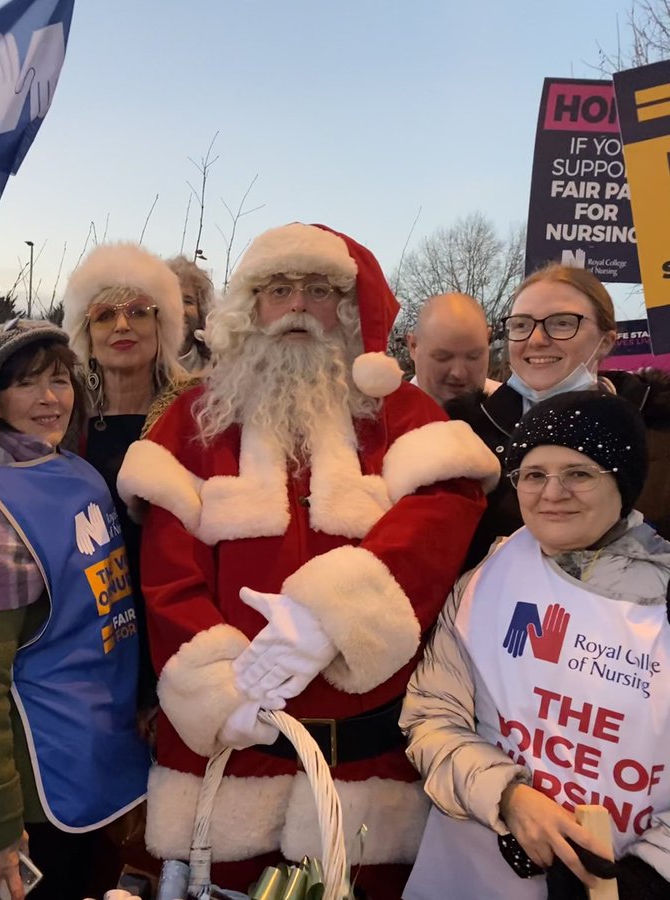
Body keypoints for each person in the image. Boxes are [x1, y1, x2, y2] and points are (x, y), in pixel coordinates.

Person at [117, 223, 499, 896]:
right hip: (230, 756)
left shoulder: (398, 412)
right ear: (251, 307)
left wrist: (334, 615)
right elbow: (167, 568)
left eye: (320, 290)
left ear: (348, 309)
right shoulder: (196, 420)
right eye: (279, 289)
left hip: (368, 771)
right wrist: (217, 683)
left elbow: (447, 503)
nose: (298, 306)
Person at [403, 391, 670, 900]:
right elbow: (430, 716)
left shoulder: (663, 597)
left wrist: (646, 877)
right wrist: (508, 796)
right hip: (471, 874)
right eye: (533, 474)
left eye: (579, 473)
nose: (552, 492)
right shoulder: (488, 576)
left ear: (624, 482)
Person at [0, 319, 149, 900]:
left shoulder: (79, 473)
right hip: (36, 784)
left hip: (100, 759)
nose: (50, 399)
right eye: (28, 384)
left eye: (60, 380)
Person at [447, 263, 670, 569]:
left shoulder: (659, 429)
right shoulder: (466, 433)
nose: (536, 339)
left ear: (606, 341)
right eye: (521, 324)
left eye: (563, 323)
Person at [62, 243, 186, 729]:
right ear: (85, 333)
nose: (122, 326)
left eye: (139, 312)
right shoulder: (65, 423)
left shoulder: (193, 416)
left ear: (162, 327)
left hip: (167, 629)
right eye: (104, 315)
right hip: (89, 633)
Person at [406, 291, 500, 403]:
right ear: (413, 346)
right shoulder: (385, 416)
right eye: (443, 357)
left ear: (487, 340)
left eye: (473, 357)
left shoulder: (511, 413)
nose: (459, 373)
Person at [166, 255, 214, 372]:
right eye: (171, 300)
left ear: (201, 310)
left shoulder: (214, 369)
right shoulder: (139, 366)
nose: (180, 310)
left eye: (188, 301)